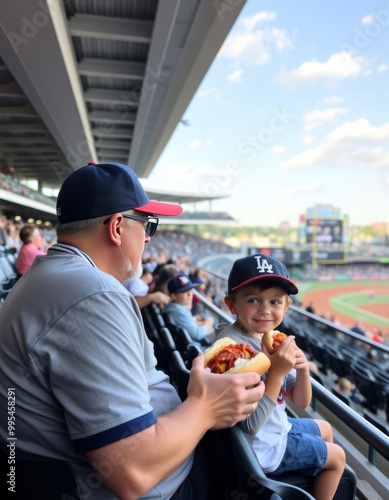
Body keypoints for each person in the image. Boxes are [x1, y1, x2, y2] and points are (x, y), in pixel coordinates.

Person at [0, 162, 265, 500]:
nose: (149, 237)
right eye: (148, 225)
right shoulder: (92, 294)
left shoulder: (48, 276)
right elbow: (131, 471)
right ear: (117, 227)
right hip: (163, 487)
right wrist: (207, 407)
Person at [217, 253, 346, 500]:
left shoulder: (269, 338)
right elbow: (251, 426)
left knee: (326, 429)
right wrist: (276, 373)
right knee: (338, 457)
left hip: (277, 429)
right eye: (253, 300)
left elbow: (301, 402)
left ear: (286, 306)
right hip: (263, 449)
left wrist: (303, 368)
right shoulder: (233, 351)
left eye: (275, 302)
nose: (265, 310)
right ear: (232, 305)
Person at [164, 272, 214, 348]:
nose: (190, 294)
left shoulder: (174, 307)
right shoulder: (179, 311)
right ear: (174, 296)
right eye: (185, 291)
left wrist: (196, 321)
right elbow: (197, 334)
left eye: (190, 290)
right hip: (194, 351)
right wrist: (208, 323)